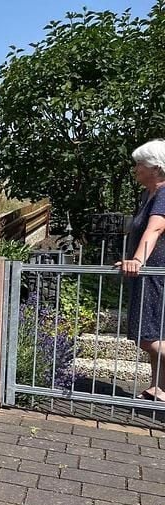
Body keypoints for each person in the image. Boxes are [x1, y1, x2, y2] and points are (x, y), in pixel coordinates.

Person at [116, 139, 165, 401]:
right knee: (156, 332)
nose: (136, 169)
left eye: (140, 165)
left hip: (156, 274)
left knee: (147, 335)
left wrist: (136, 260)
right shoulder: (148, 195)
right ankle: (159, 388)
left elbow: (156, 228)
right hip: (151, 273)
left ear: (156, 168)